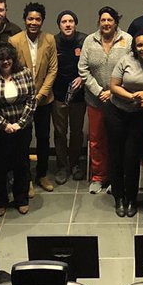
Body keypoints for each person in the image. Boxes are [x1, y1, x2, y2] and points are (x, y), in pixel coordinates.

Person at [107, 33, 143, 217]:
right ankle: (118, 197)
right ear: (135, 48)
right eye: (139, 45)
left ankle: (131, 199)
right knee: (116, 156)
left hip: (137, 116)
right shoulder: (125, 60)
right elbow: (113, 86)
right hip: (116, 111)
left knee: (132, 158)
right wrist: (132, 96)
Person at [78, 7, 131, 194]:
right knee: (97, 140)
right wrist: (100, 91)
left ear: (116, 22)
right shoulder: (89, 41)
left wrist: (114, 92)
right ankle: (99, 177)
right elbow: (83, 69)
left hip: (120, 102)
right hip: (96, 101)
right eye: (103, 20)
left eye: (110, 20)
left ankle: (116, 178)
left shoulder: (128, 40)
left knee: (117, 140)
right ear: (99, 22)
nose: (106, 23)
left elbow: (132, 68)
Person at [10, 2, 58, 192]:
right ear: (24, 20)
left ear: (42, 21)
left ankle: (42, 175)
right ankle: (25, 179)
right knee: (23, 140)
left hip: (44, 100)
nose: (34, 22)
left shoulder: (49, 39)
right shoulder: (14, 41)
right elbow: (12, 70)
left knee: (44, 138)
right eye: (30, 19)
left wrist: (39, 96)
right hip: (22, 102)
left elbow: (53, 69)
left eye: (38, 19)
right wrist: (29, 98)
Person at [0, 43, 37, 216]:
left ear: (13, 59)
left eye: (8, 58)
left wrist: (20, 123)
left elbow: (32, 99)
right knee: (0, 167)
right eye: (1, 59)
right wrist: (5, 125)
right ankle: (0, 201)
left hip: (22, 128)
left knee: (22, 164)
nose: (5, 62)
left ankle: (21, 199)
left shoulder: (24, 73)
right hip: (0, 129)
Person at [51, 10, 87, 183]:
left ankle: (75, 163)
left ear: (75, 23)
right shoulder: (53, 41)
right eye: (64, 21)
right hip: (58, 95)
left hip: (79, 96)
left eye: (71, 21)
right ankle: (61, 166)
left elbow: (90, 65)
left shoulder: (84, 40)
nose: (67, 24)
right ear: (59, 25)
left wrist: (82, 77)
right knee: (60, 132)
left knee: (77, 132)